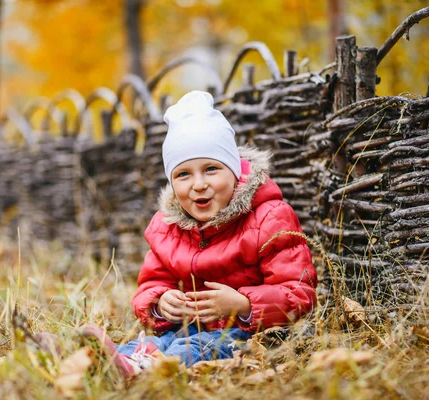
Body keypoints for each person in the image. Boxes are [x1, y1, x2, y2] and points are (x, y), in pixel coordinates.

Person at [79, 90, 317, 378]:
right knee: (157, 341)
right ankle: (101, 361)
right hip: (189, 325)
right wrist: (159, 303)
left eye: (211, 169)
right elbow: (150, 285)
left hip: (251, 334)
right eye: (184, 174)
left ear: (233, 171)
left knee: (195, 347)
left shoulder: (269, 217)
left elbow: (300, 293)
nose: (199, 184)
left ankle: (145, 371)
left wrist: (243, 304)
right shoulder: (167, 227)